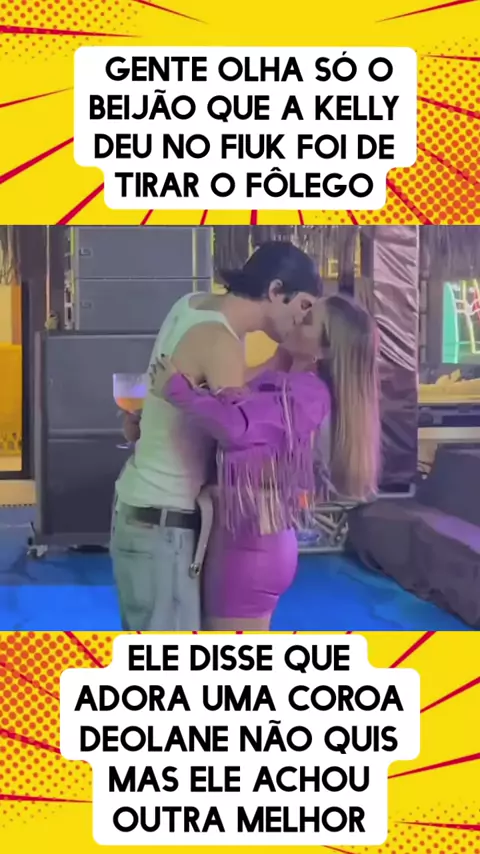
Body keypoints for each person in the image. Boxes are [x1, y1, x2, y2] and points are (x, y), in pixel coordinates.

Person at [110, 241, 322, 631]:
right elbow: (237, 436)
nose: (302, 320)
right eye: (303, 306)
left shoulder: (193, 305)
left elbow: (205, 398)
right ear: (276, 290)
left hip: (139, 505)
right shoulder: (223, 341)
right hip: (165, 522)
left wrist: (149, 420)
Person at [152, 294, 380, 632]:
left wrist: (177, 390)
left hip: (252, 545)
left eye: (307, 321)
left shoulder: (308, 395)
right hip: (245, 537)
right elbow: (238, 407)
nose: (296, 318)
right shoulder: (288, 383)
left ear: (323, 351)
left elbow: (239, 427)